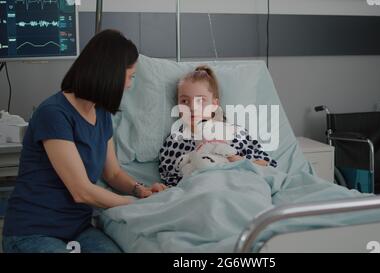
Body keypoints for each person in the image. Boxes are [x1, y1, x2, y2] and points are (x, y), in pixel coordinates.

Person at [2, 29, 167, 253]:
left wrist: (141, 191)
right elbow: (81, 191)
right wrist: (137, 205)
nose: (129, 85)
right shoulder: (54, 113)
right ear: (111, 74)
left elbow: (113, 174)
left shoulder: (101, 115)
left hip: (78, 228)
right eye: (130, 76)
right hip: (33, 230)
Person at [158, 65, 277, 187]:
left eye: (200, 100)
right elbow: (169, 178)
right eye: (184, 101)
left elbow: (266, 163)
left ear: (214, 104)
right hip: (197, 189)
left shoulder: (234, 133)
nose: (192, 107)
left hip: (235, 185)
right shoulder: (175, 140)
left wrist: (240, 161)